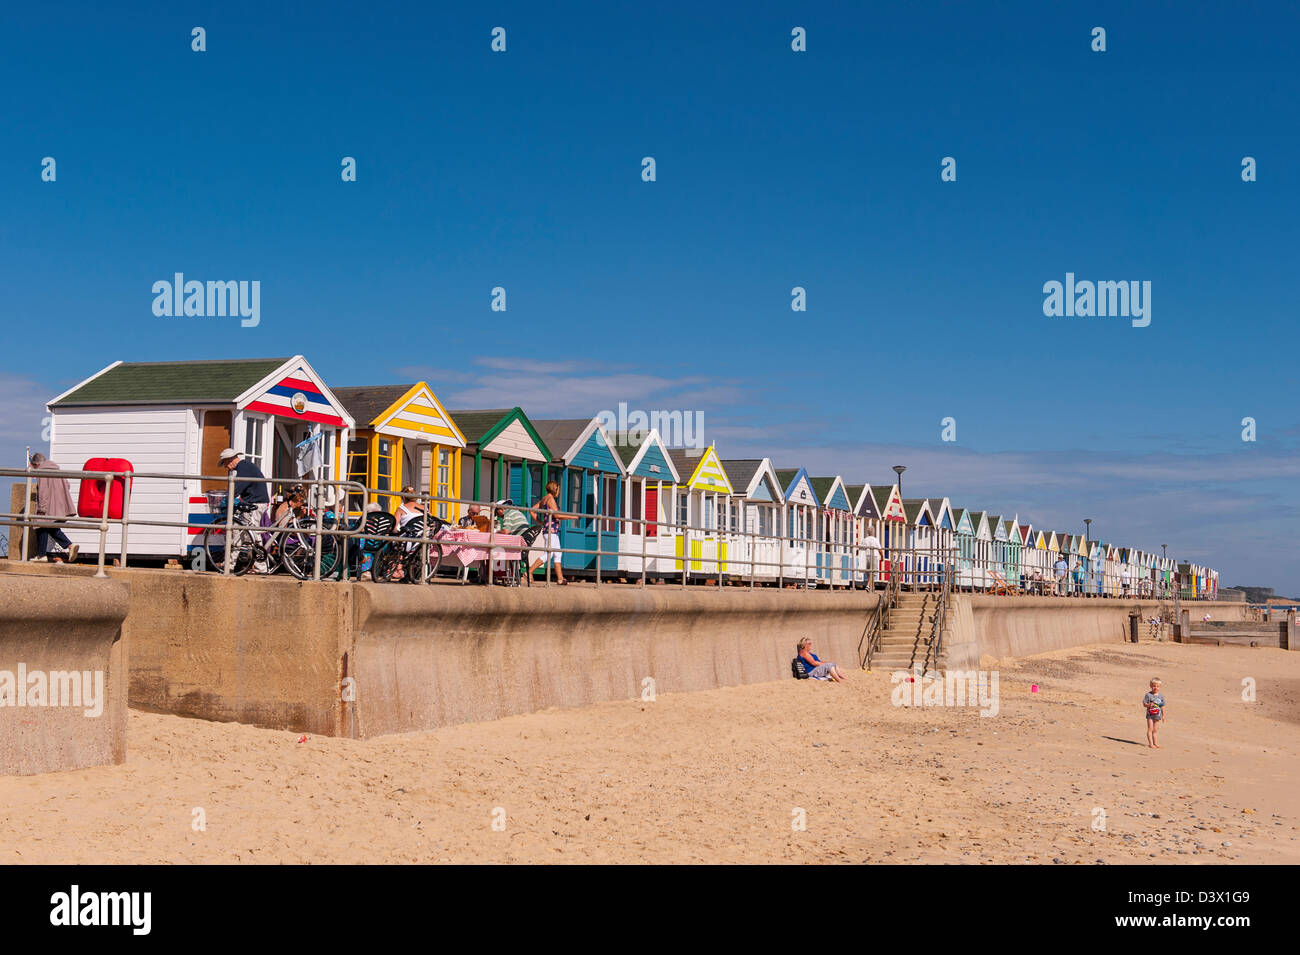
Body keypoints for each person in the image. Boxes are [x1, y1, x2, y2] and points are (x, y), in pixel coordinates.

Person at [28, 453, 79, 563]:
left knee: (40, 525)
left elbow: (43, 492)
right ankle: (70, 545)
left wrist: (42, 508)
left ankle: (42, 556)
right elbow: (67, 485)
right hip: (60, 506)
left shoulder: (42, 471)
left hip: (48, 506)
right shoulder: (56, 469)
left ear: (36, 464)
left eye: (33, 466)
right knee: (51, 527)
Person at [527, 480, 572, 585]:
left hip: (551, 531)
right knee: (548, 555)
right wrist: (573, 516)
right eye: (558, 489)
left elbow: (532, 510)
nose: (559, 491)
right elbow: (556, 515)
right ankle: (529, 571)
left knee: (557, 554)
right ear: (555, 489)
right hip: (551, 531)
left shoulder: (545, 499)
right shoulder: (551, 499)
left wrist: (541, 522)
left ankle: (560, 579)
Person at [1143, 678, 1165, 749]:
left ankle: (1155, 743)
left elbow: (1162, 706)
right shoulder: (1148, 695)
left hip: (1157, 715)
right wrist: (1149, 705)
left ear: (1160, 687)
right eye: (1154, 686)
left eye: (1157, 686)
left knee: (1155, 730)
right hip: (1150, 715)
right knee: (1150, 729)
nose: (1155, 688)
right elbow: (1144, 704)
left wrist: (1163, 715)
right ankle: (1150, 744)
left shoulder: (1161, 696)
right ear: (1151, 686)